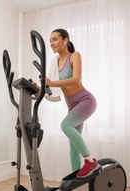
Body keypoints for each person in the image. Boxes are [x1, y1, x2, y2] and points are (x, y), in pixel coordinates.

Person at [36, 28, 100, 178]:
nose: (51, 43)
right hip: (72, 106)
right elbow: (50, 86)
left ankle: (90, 161)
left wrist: (52, 82)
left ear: (65, 40)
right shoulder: (55, 62)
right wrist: (37, 86)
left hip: (85, 100)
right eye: (50, 40)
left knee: (65, 125)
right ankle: (75, 180)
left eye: (55, 39)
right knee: (73, 147)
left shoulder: (74, 56)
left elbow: (76, 79)